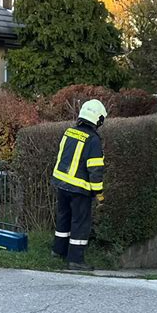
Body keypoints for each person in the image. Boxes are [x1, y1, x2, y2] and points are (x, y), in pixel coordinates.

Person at [51, 99, 107, 271]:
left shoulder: (69, 132)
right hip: (80, 189)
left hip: (61, 184)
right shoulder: (93, 140)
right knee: (80, 223)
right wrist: (99, 193)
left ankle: (58, 251)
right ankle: (75, 260)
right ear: (97, 119)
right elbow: (95, 170)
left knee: (63, 218)